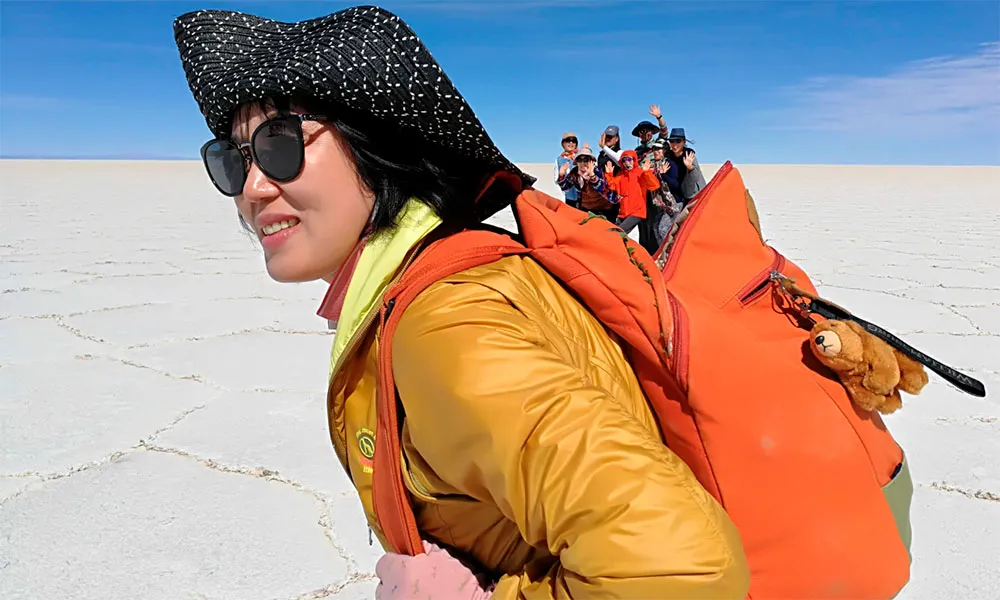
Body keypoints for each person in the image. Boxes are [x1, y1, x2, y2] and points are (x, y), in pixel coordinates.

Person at [173, 6, 749, 599]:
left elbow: (682, 570)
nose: (252, 187)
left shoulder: (446, 325)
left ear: (377, 143)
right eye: (232, 159)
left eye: (279, 143)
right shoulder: (433, 286)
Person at [606, 149, 660, 235]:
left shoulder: (640, 172)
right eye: (624, 160)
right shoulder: (621, 175)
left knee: (617, 233)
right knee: (612, 233)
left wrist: (646, 172)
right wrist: (609, 174)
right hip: (623, 212)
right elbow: (612, 186)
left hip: (637, 212)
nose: (627, 162)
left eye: (629, 159)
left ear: (634, 160)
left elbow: (654, 185)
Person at [557, 146, 619, 221]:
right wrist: (561, 175)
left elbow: (610, 195)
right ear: (577, 162)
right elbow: (565, 187)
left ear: (592, 162)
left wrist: (592, 176)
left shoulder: (598, 171)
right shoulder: (575, 173)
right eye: (580, 160)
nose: (583, 163)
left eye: (586, 160)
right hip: (586, 210)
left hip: (604, 211)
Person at [666, 127, 707, 204]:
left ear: (684, 142)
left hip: (696, 195)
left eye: (678, 141)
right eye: (672, 141)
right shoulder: (668, 157)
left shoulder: (689, 155)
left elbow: (696, 178)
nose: (675, 144)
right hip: (681, 197)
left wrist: (690, 168)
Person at [553, 132, 579, 208]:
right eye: (568, 140)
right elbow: (556, 179)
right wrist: (561, 175)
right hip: (567, 197)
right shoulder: (559, 160)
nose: (571, 143)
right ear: (563, 144)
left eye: (573, 141)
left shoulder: (580, 157)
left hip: (582, 197)